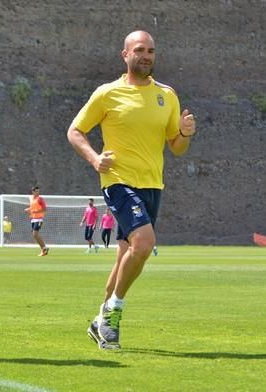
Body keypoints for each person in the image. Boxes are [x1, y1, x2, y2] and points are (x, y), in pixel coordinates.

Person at [67, 30, 196, 349]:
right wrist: (96, 159)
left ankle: (100, 320)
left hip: (153, 185)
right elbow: (75, 131)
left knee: (126, 252)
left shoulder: (167, 94)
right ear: (125, 55)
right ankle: (113, 314)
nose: (146, 55)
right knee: (144, 242)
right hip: (118, 182)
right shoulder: (107, 93)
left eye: (151, 50)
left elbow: (176, 148)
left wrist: (185, 133)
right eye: (139, 50)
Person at [24, 186, 48, 256]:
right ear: (33, 192)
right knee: (35, 235)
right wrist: (28, 210)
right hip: (33, 219)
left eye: (38, 191)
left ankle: (44, 248)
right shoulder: (31, 199)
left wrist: (35, 211)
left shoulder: (40, 199)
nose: (38, 193)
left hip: (39, 219)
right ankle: (44, 248)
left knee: (35, 234)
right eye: (36, 191)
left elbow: (44, 209)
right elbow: (32, 207)